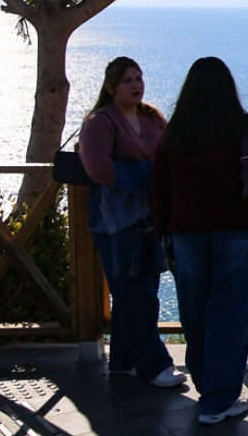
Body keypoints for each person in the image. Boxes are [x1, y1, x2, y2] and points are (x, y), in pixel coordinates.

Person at [151, 57, 248, 425]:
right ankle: (219, 400)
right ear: (228, 88)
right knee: (229, 314)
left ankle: (208, 391)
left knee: (195, 313)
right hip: (235, 231)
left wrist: (164, 231)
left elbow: (159, 189)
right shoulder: (241, 127)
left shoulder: (176, 133)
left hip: (185, 236)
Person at [78, 57, 184, 388]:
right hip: (116, 219)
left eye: (139, 78)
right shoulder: (99, 122)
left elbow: (171, 157)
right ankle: (153, 365)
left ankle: (124, 360)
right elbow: (99, 170)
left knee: (145, 288)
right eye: (127, 80)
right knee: (132, 291)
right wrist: (150, 178)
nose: (136, 85)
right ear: (111, 87)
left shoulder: (152, 118)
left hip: (150, 216)